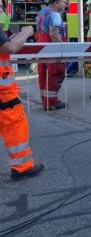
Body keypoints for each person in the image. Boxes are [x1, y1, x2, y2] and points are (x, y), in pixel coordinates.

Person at [0, 25, 44, 180]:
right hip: (4, 96)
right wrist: (25, 34)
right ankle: (22, 167)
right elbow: (10, 48)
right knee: (16, 128)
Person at [36, 0, 68, 110]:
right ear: (55, 3)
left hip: (42, 45)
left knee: (43, 73)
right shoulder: (55, 15)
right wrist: (62, 46)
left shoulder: (41, 12)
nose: (65, 5)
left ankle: (45, 101)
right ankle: (52, 102)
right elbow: (54, 33)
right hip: (53, 47)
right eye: (63, 2)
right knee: (56, 72)